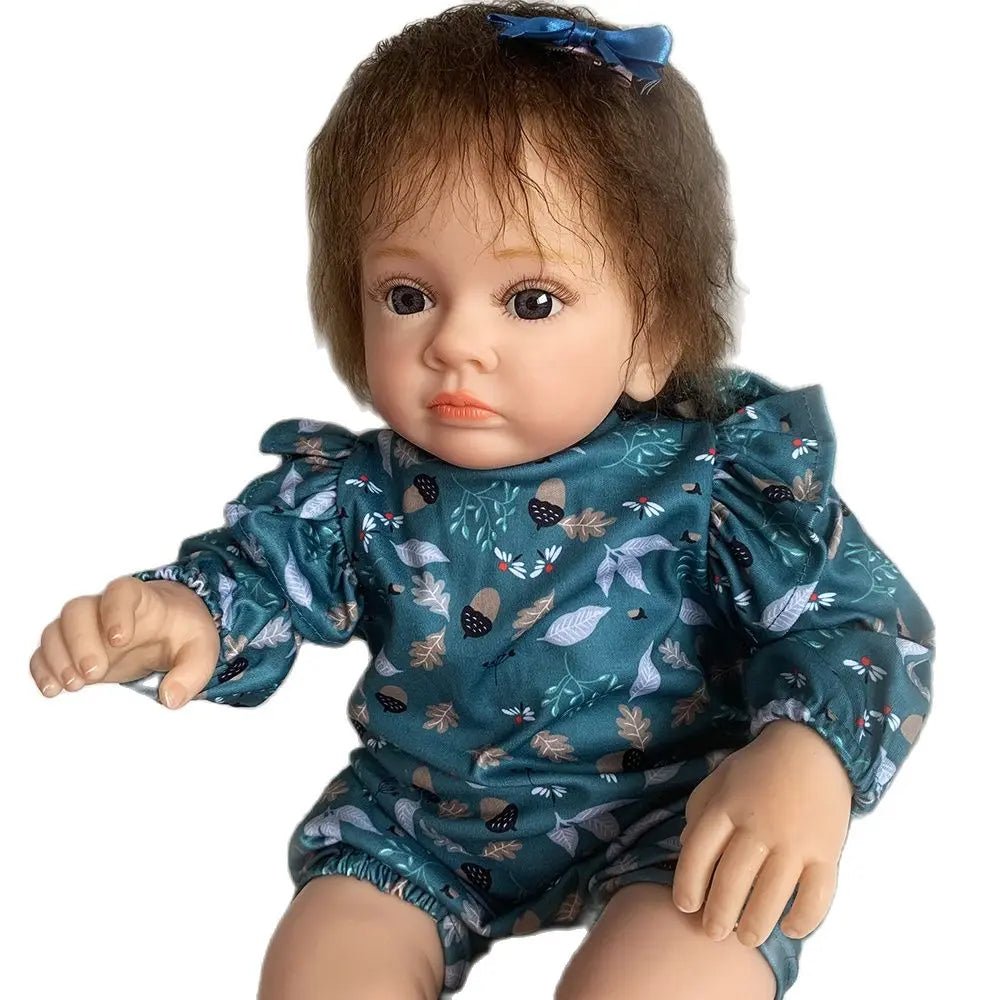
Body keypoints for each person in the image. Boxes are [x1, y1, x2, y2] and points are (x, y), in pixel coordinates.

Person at [28, 4, 935, 998]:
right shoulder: (360, 494)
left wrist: (806, 754)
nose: (454, 341)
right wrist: (183, 615)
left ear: (652, 336)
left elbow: (857, 621)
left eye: (530, 300)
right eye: (408, 295)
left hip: (676, 816)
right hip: (421, 821)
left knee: (685, 958)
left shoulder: (712, 480)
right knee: (325, 966)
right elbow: (262, 571)